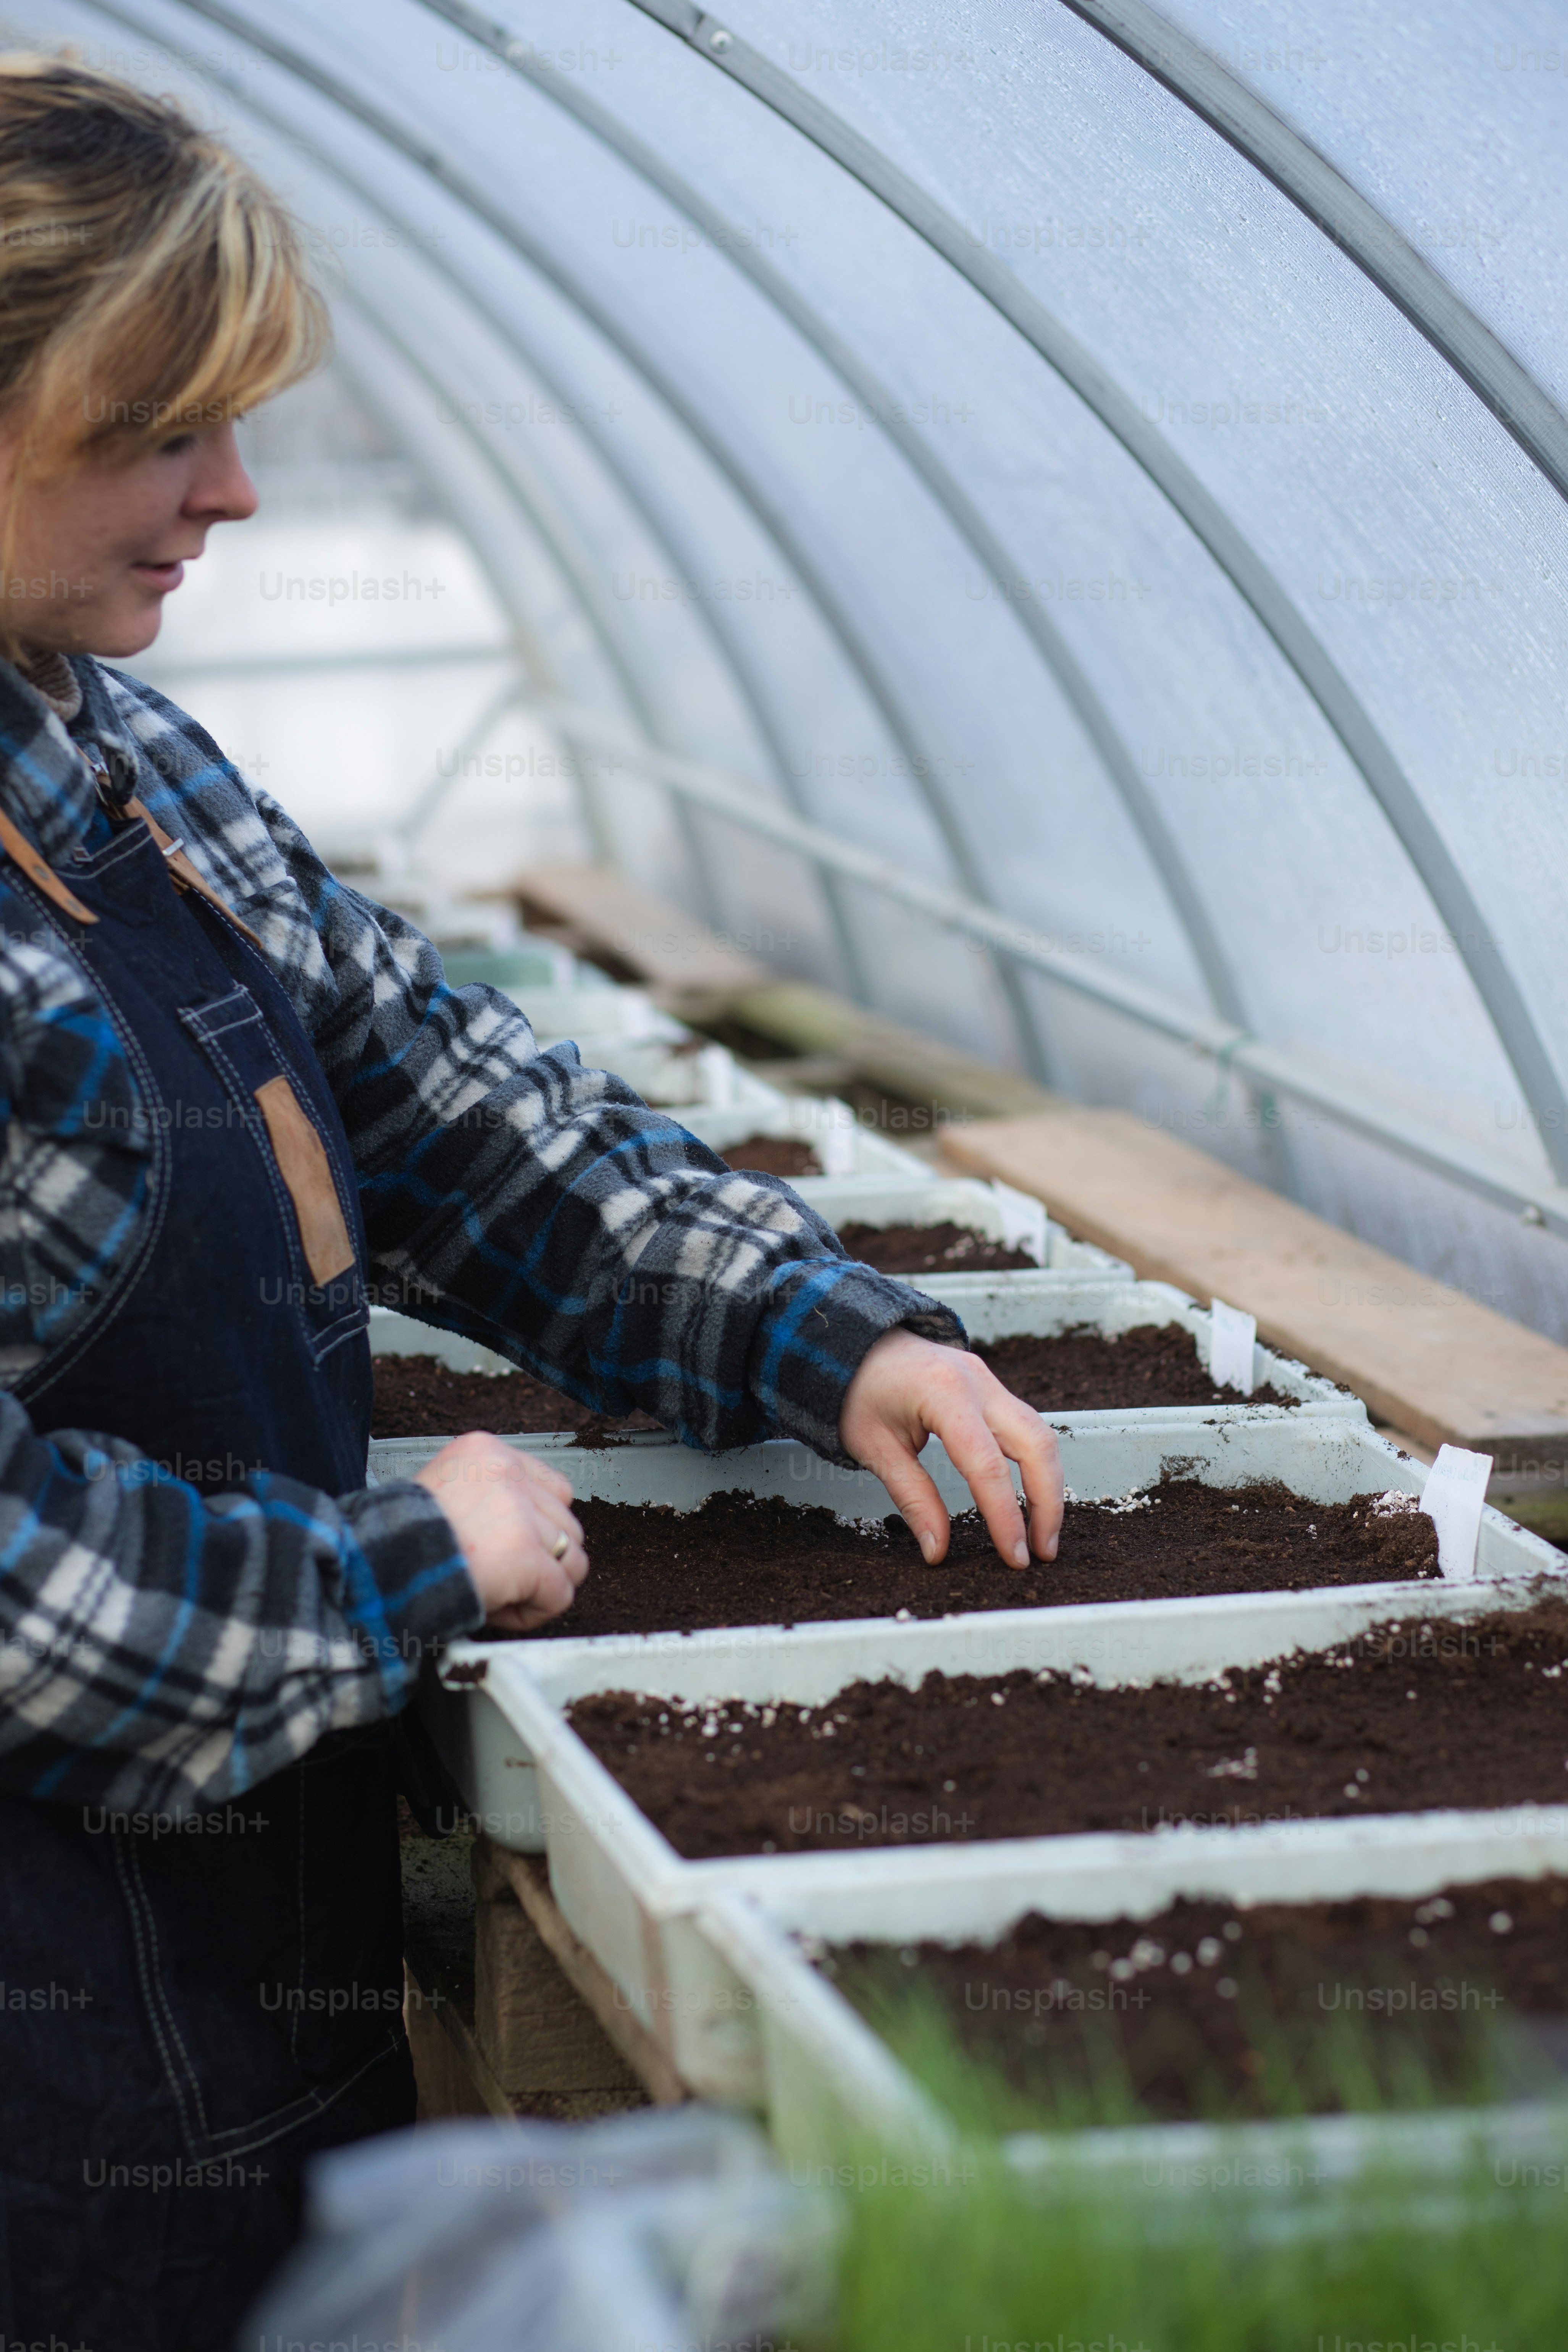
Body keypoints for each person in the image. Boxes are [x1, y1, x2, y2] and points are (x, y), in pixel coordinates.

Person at [0, 53, 1063, 2351]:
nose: (239, 491)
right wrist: (413, 1557)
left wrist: (821, 1326)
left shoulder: (102, 751)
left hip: (225, 1963)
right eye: (164, 422)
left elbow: (443, 1097)